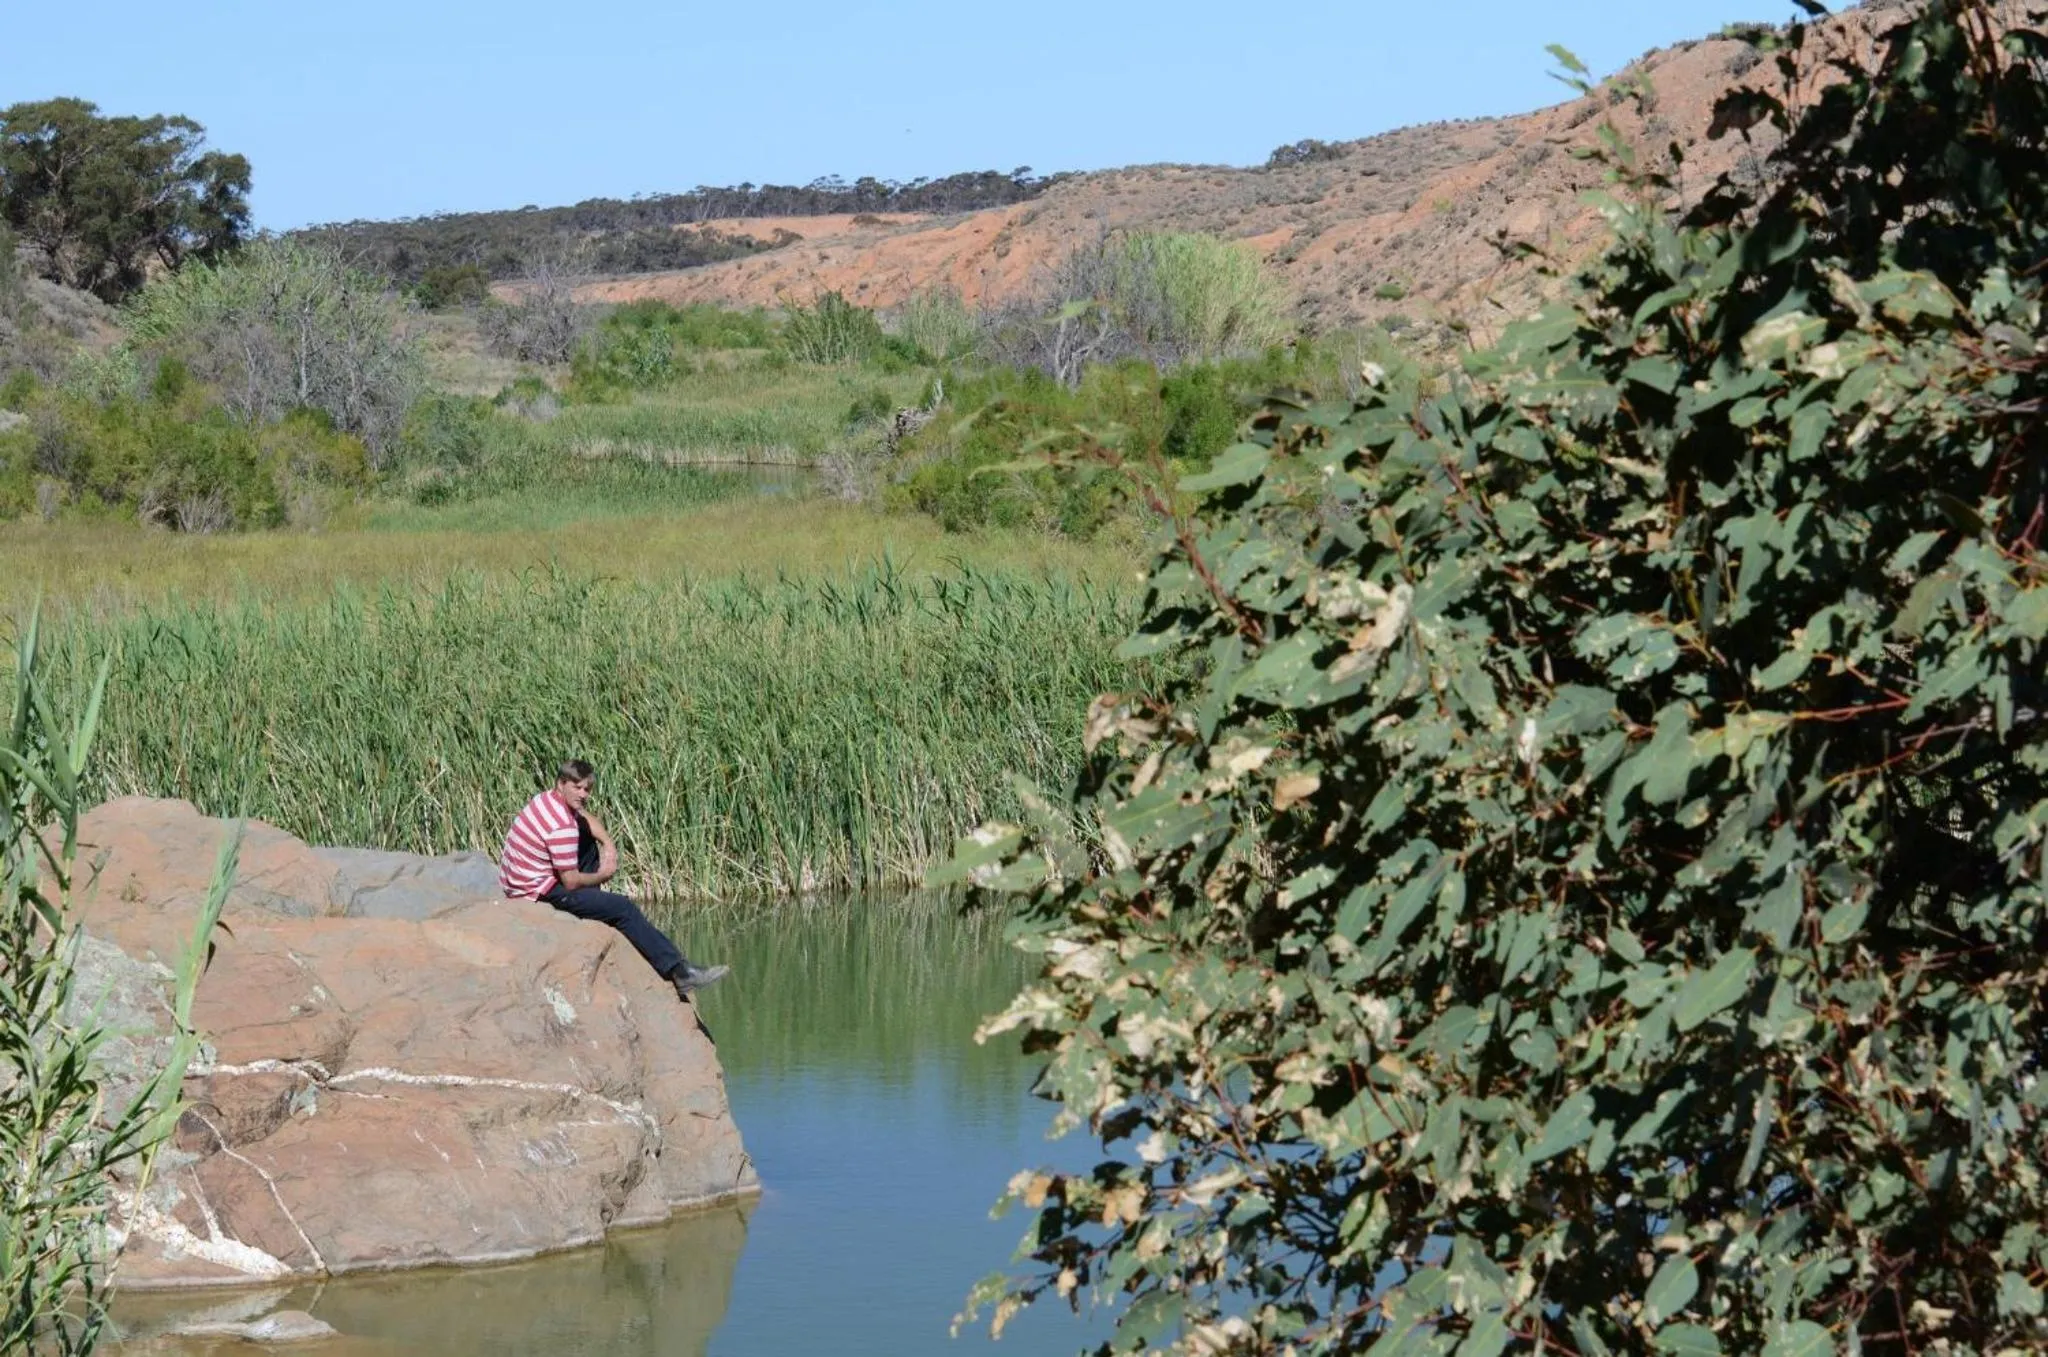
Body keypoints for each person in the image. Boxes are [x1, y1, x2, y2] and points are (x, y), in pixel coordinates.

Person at [501, 759, 728, 999]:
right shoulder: (561, 827)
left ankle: (593, 904)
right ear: (561, 784)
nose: (583, 794)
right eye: (576, 787)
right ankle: (680, 971)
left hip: (521, 876)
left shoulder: (546, 799)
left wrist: (608, 844)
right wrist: (604, 874)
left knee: (588, 839)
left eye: (587, 789)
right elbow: (570, 882)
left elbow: (583, 817)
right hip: (534, 892)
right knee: (623, 908)